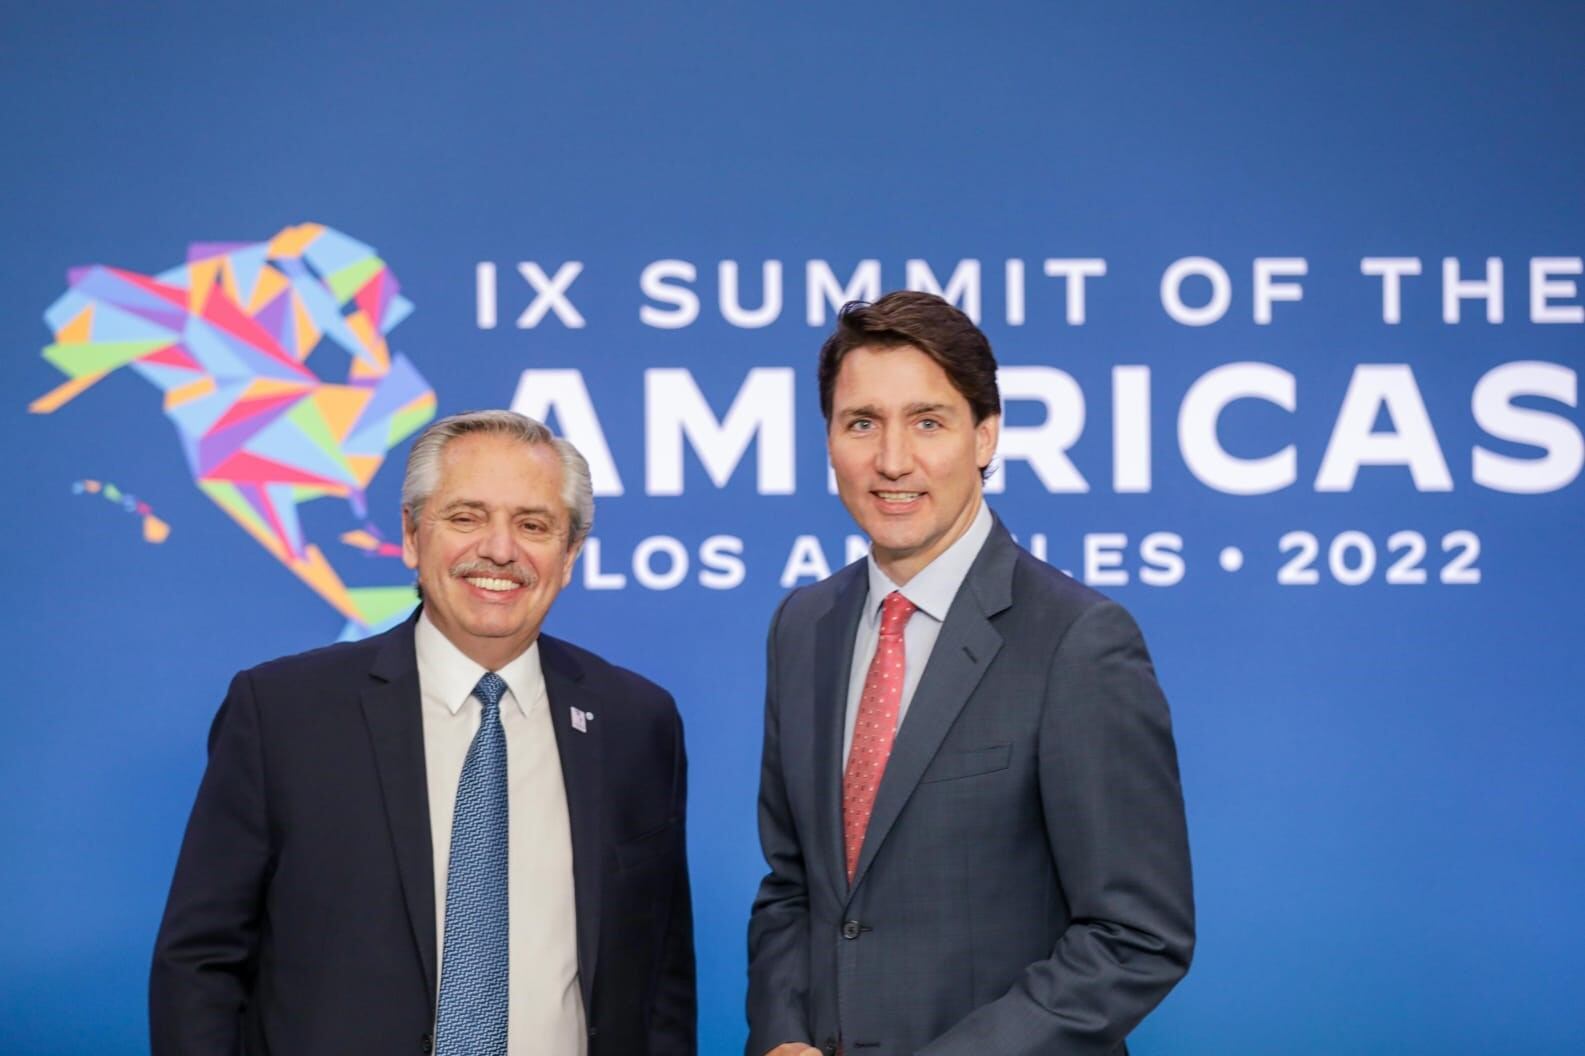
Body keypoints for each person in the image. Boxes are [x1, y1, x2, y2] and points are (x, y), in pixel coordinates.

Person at [151, 410, 694, 1056]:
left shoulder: (636, 722)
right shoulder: (283, 712)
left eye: (533, 525)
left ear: (570, 553)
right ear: (412, 535)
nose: (500, 550)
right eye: (466, 518)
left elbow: (660, 979)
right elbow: (201, 964)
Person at [746, 292, 1193, 1056]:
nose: (892, 460)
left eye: (927, 422)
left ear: (985, 435)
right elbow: (792, 886)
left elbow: (1135, 936)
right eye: (862, 423)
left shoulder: (1077, 640)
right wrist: (781, 1036)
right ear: (829, 440)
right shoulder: (803, 626)